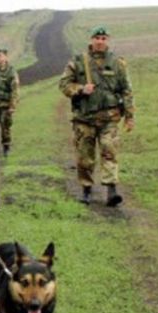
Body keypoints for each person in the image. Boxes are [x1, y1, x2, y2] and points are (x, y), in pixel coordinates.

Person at [59, 26, 135, 206]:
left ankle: (111, 190)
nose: (100, 41)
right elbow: (64, 85)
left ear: (107, 40)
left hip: (110, 118)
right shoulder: (78, 62)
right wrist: (80, 89)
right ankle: (86, 189)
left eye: (103, 38)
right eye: (97, 38)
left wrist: (130, 116)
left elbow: (126, 91)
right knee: (85, 156)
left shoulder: (117, 63)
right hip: (84, 119)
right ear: (91, 40)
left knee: (110, 151)